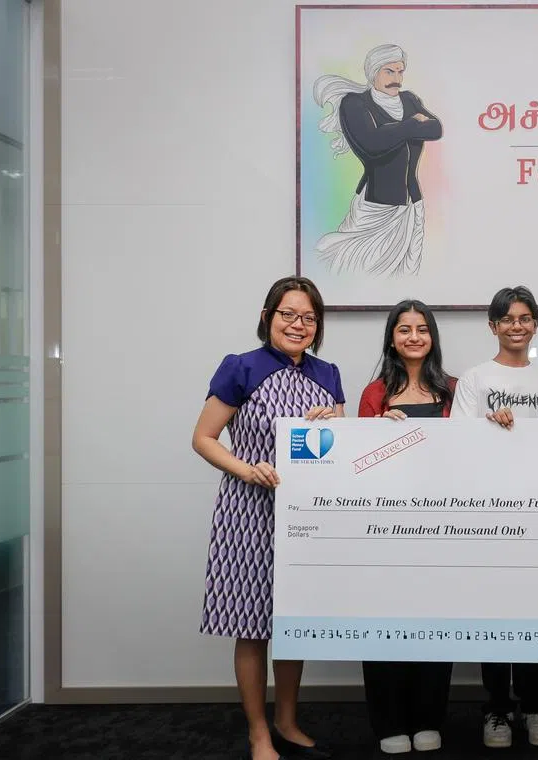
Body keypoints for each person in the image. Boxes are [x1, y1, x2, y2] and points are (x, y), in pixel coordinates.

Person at [192, 276, 344, 760]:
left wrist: (333, 424)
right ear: (267, 316)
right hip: (248, 511)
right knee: (252, 624)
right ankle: (259, 731)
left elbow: (339, 450)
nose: (298, 325)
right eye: (288, 315)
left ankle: (287, 720)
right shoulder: (241, 367)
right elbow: (204, 438)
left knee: (293, 619)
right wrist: (248, 470)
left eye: (308, 317)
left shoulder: (328, 373)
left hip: (305, 514)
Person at [450, 285, 538, 748]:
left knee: (537, 611)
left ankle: (536, 707)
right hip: (488, 512)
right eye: (507, 318)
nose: (517, 325)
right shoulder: (474, 379)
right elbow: (457, 442)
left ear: (535, 324)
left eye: (525, 317)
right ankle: (496, 709)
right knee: (493, 613)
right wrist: (488, 428)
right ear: (493, 326)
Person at [356, 299, 457, 754]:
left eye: (422, 329)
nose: (413, 336)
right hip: (386, 525)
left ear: (432, 336)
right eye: (404, 329)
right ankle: (389, 722)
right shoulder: (375, 392)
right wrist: (377, 429)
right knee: (383, 620)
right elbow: (357, 463)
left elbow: (472, 455)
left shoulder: (456, 389)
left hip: (444, 525)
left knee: (435, 621)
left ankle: (429, 718)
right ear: (391, 338)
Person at [313, 44, 443, 277]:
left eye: (400, 71)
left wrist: (393, 131)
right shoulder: (355, 104)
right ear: (373, 72)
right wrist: (413, 124)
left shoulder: (409, 100)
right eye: (389, 71)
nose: (397, 78)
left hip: (413, 204)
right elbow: (372, 144)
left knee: (408, 273)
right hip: (375, 205)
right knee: (358, 270)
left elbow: (435, 129)